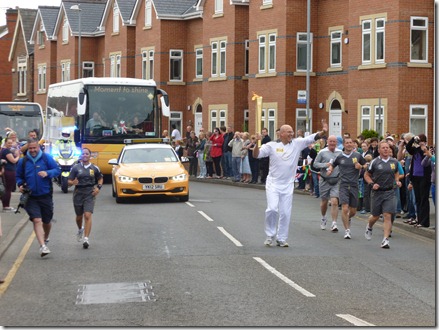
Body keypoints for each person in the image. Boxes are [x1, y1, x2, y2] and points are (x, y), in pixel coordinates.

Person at [253, 123, 328, 247]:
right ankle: (270, 235)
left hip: (288, 184)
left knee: (285, 212)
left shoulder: (297, 143)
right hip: (273, 183)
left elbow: (312, 138)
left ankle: (281, 238)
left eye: (292, 132)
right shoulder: (271, 145)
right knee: (272, 209)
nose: (291, 134)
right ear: (281, 133)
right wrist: (256, 143)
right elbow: (256, 155)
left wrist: (323, 132)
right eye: (288, 132)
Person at [16, 139, 61, 257]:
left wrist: (47, 173)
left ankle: (45, 238)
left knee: (47, 221)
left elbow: (57, 170)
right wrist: (20, 185)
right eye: (30, 148)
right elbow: (19, 176)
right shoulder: (23, 161)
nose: (32, 150)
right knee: (37, 220)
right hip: (30, 197)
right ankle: (42, 246)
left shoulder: (46, 158)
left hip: (45, 195)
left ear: (39, 147)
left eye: (34, 148)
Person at [364, 140, 402, 248]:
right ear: (379, 150)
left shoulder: (394, 162)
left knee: (387, 215)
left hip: (390, 191)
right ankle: (370, 226)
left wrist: (397, 181)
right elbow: (366, 175)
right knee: (375, 216)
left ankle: (385, 240)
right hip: (377, 192)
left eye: (387, 148)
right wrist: (372, 184)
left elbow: (396, 173)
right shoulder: (374, 162)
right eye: (383, 148)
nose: (386, 149)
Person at [327, 137, 366, 239]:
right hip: (343, 185)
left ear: (353, 144)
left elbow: (366, 165)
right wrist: (330, 170)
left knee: (353, 211)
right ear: (344, 145)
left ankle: (347, 218)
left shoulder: (357, 156)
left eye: (351, 143)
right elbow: (333, 165)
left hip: (354, 185)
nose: (349, 144)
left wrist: (361, 167)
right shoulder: (340, 157)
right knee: (344, 208)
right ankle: (347, 230)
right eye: (347, 143)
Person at [68, 148, 104, 249]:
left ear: (90, 156)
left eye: (87, 154)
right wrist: (72, 183)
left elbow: (100, 178)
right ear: (81, 156)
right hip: (78, 193)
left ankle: (86, 239)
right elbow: (68, 181)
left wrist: (98, 188)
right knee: (79, 216)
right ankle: (80, 229)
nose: (85, 155)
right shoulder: (75, 168)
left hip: (90, 193)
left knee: (87, 215)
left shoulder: (94, 168)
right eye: (83, 154)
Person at [313, 135, 342, 232]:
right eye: (331, 141)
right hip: (324, 179)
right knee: (324, 202)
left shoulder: (340, 152)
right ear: (327, 142)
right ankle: (324, 217)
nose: (332, 143)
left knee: (334, 201)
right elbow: (315, 164)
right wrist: (325, 165)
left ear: (336, 143)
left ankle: (334, 223)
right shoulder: (322, 152)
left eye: (334, 141)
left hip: (336, 180)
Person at [405, 134, 432, 227]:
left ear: (424, 141)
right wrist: (413, 139)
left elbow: (425, 156)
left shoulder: (426, 149)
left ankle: (424, 222)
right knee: (418, 199)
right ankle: (419, 219)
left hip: (424, 177)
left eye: (420, 140)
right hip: (415, 176)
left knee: (424, 199)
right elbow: (408, 147)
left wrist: (423, 146)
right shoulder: (415, 150)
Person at [1, 137, 20, 212]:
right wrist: (18, 156)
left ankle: (5, 205)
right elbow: (13, 161)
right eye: (8, 143)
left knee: (6, 188)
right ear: (5, 143)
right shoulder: (6, 151)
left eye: (11, 143)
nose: (10, 144)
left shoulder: (4, 150)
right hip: (9, 171)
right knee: (8, 189)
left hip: (7, 170)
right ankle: (6, 206)